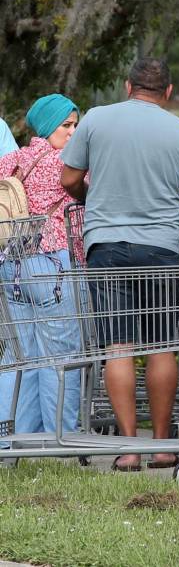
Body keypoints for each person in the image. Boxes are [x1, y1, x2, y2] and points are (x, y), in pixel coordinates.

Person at [60, 58, 179, 471]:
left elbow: (68, 179)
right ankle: (165, 444)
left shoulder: (95, 120)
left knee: (117, 346)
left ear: (127, 86)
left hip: (106, 248)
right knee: (162, 346)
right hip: (161, 250)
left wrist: (88, 197)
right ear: (168, 92)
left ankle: (129, 448)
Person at [0, 94, 82, 436]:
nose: (73, 132)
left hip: (13, 267)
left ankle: (17, 437)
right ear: (49, 126)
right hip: (54, 265)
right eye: (66, 125)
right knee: (61, 358)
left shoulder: (13, 160)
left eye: (76, 125)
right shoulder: (67, 162)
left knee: (20, 358)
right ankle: (60, 438)